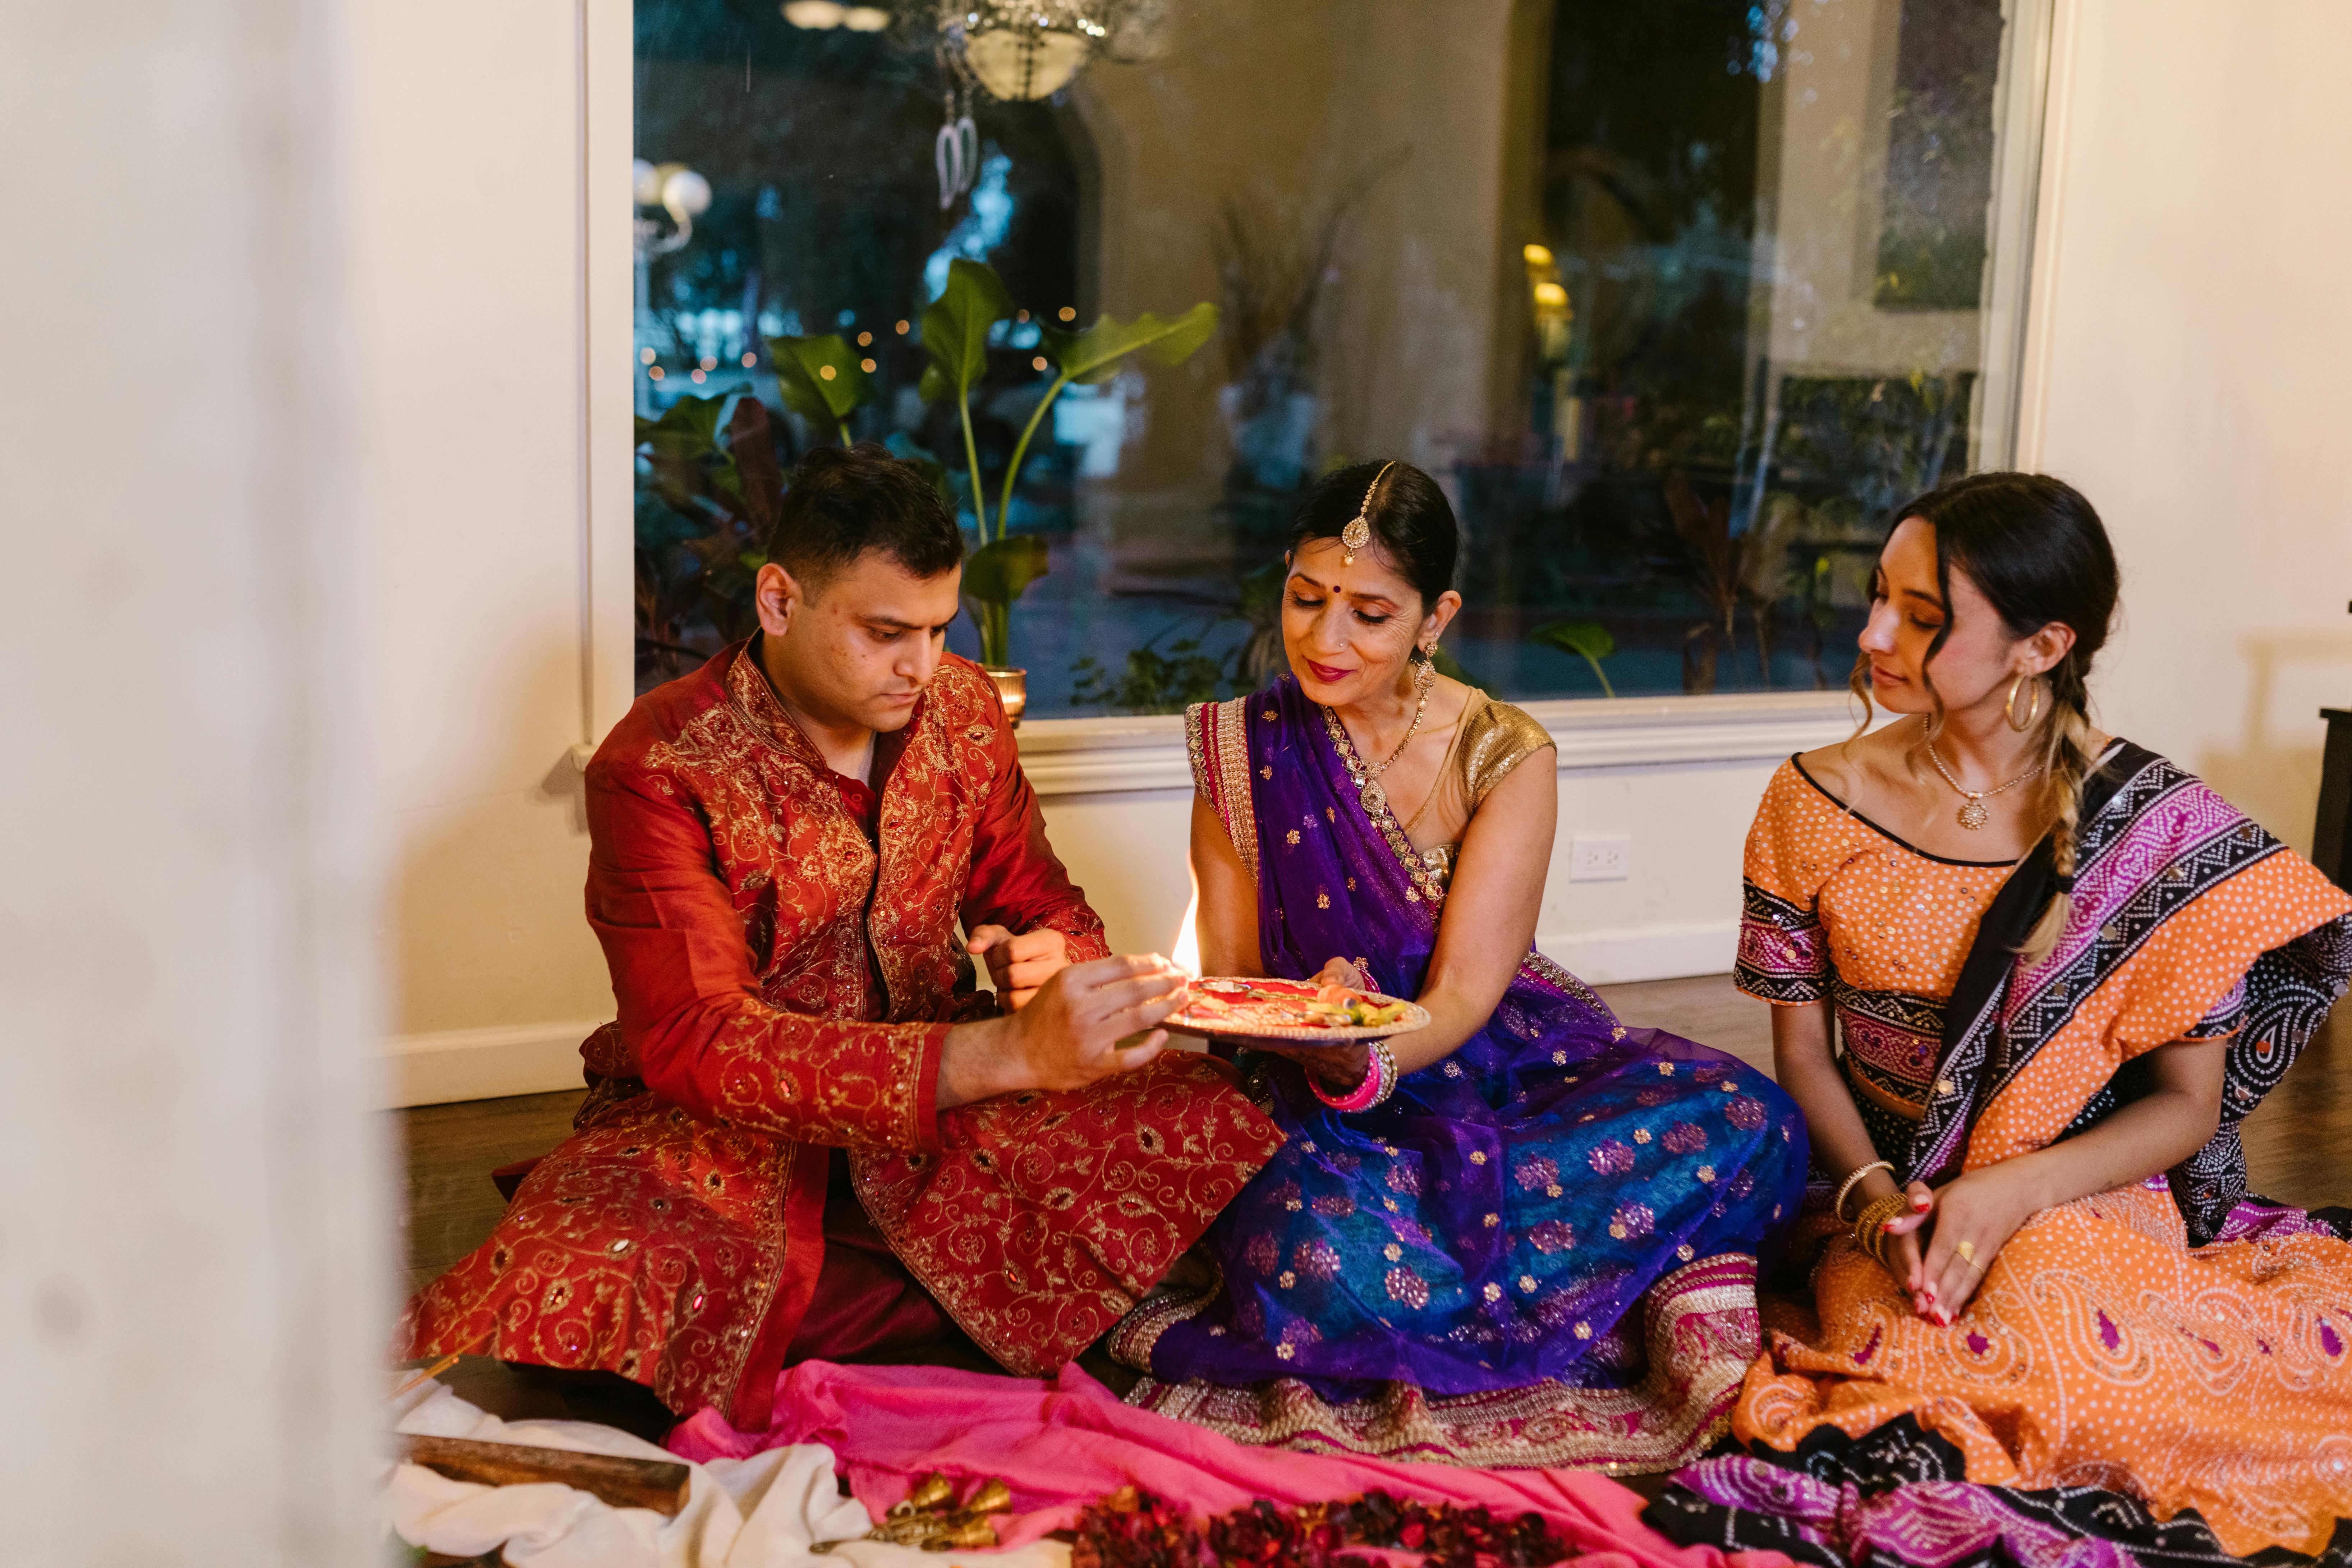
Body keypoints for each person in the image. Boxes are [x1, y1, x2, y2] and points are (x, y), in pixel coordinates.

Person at [400, 444, 1282, 1430]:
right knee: (587, 1275)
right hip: (731, 1134)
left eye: (939, 629)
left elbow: (1046, 901)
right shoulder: (659, 764)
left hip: (954, 1122)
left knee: (1219, 1110)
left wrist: (1050, 958)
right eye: (886, 632)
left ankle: (876, 1307)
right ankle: (988, 1302)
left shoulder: (963, 712)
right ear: (779, 601)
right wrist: (1002, 1053)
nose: (923, 667)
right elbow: (699, 1038)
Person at [1651, 473, 2352, 1563]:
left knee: (2077, 1375)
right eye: (1878, 596)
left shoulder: (2157, 831)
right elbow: (1805, 1055)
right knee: (1930, 1373)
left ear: (2042, 645)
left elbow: (2186, 1108)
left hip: (2079, 1187)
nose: (1874, 634)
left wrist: (2014, 1188)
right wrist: (1877, 1204)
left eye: (1922, 616)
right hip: (1890, 1195)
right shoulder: (1812, 800)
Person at [1110, 461, 1806, 1472]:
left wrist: (1375, 1058)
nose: (1325, 639)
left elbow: (1470, 993)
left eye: (1370, 614)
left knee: (1752, 1121)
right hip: (1304, 1091)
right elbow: (1234, 984)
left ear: (1436, 618)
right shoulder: (1238, 747)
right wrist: (1309, 1027)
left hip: (1487, 1062)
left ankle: (1473, 1286)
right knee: (1314, 1251)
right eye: (1306, 598)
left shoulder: (1504, 753)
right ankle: (1560, 1289)